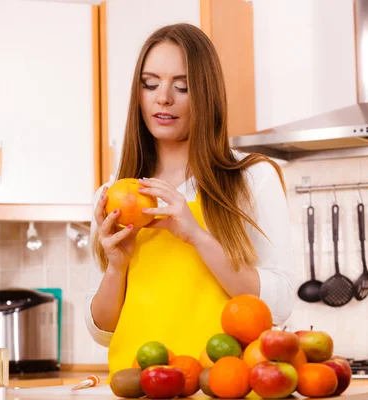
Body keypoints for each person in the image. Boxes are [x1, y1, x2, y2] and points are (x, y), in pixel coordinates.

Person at [84, 23, 295, 379]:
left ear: (207, 94)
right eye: (150, 84)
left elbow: (279, 305)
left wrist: (197, 237)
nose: (162, 98)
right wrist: (116, 266)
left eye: (182, 87)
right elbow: (103, 331)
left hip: (224, 385)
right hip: (139, 386)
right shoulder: (112, 196)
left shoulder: (252, 178)